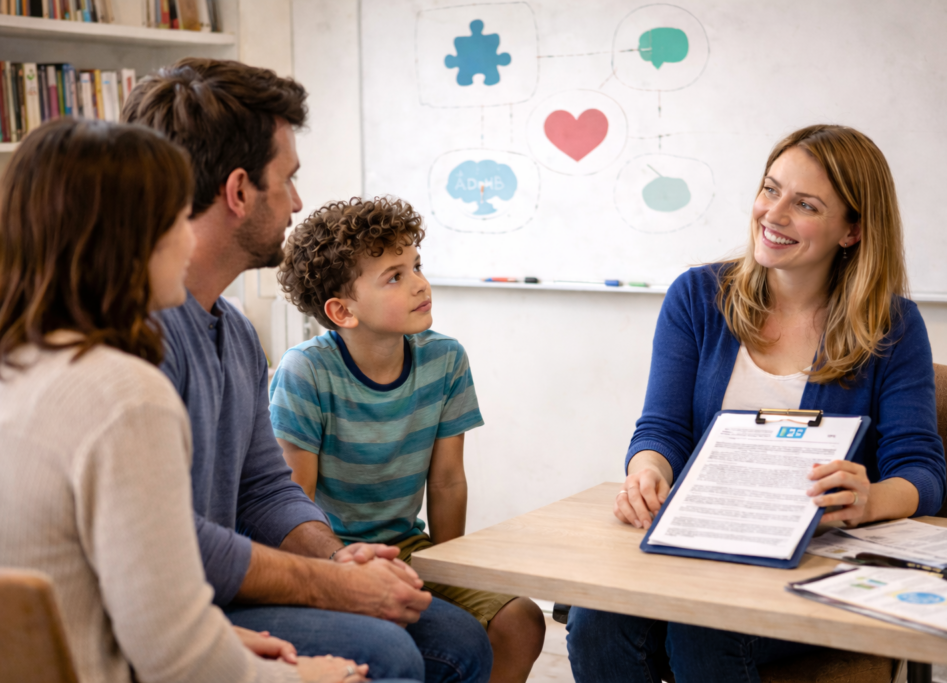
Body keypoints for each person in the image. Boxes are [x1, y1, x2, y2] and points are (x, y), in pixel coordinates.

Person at [122, 59, 492, 683]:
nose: (297, 202)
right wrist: (329, 584)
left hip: (218, 585)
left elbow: (265, 490)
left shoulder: (234, 332)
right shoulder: (136, 334)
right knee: (398, 653)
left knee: (462, 639)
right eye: (286, 180)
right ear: (239, 192)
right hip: (161, 605)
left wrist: (339, 558)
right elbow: (161, 541)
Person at [564, 124, 947, 683]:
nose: (774, 213)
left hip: (810, 563)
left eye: (805, 204)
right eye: (771, 189)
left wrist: (869, 498)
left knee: (703, 628)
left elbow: (923, 471)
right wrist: (646, 471)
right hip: (698, 549)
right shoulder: (697, 297)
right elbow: (662, 430)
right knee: (597, 617)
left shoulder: (892, 326)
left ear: (853, 230)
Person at [0, 119, 376, 683]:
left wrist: (228, 634)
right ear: (127, 237)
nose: (190, 237)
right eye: (177, 218)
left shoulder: (26, 363)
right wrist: (306, 677)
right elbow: (176, 660)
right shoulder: (123, 394)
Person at [268, 197, 546, 683]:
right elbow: (295, 499)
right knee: (426, 643)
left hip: (408, 546)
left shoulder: (445, 359)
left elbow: (446, 482)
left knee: (520, 620)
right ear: (342, 310)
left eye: (416, 265)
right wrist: (335, 574)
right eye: (394, 276)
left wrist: (452, 570)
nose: (420, 283)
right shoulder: (306, 371)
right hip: (332, 555)